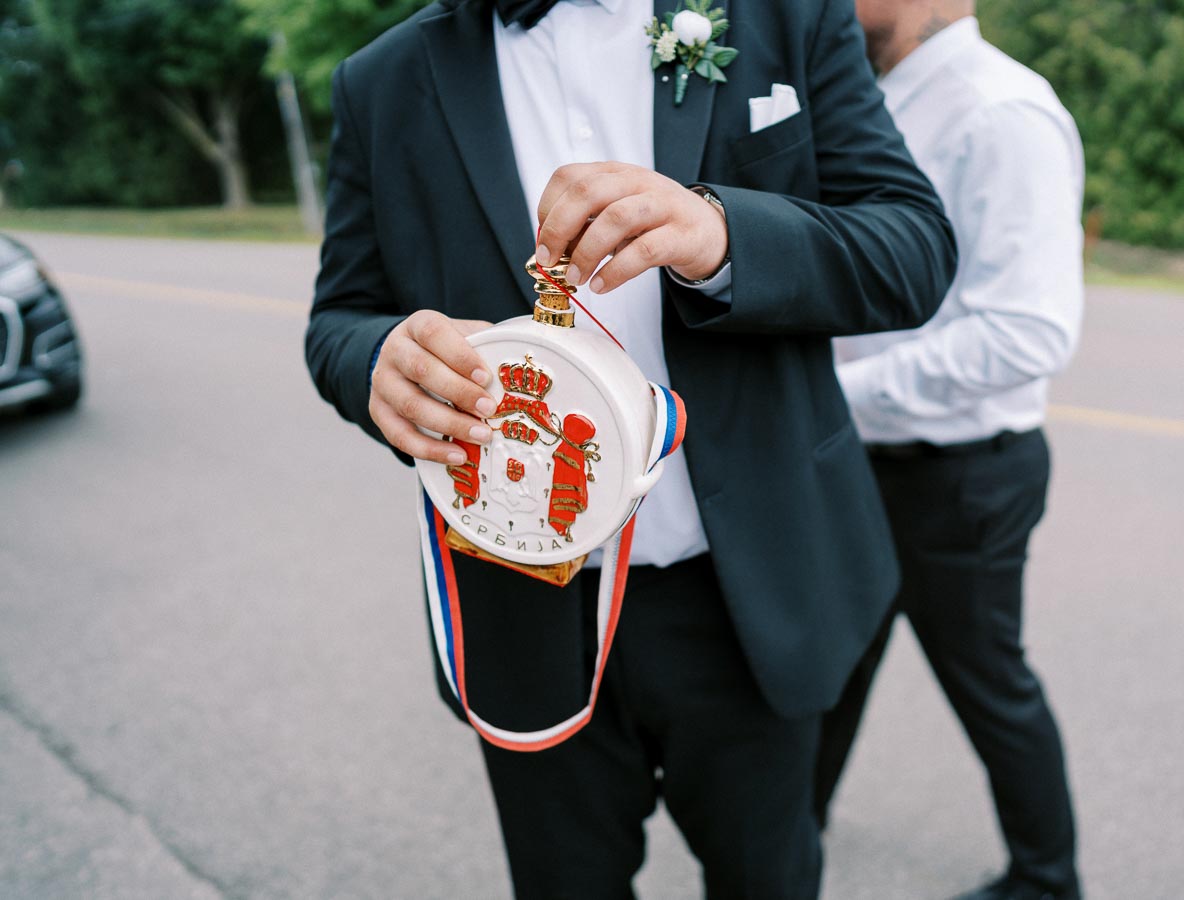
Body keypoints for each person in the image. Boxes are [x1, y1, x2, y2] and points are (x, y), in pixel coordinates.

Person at [305, 0, 957, 896]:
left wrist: (721, 235)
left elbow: (913, 247)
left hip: (750, 595)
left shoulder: (785, 13)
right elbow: (339, 316)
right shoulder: (382, 79)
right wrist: (376, 360)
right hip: (522, 599)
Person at [817, 2, 1085, 898]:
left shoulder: (1000, 113)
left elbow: (1025, 332)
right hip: (859, 458)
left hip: (960, 476)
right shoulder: (865, 100)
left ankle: (1047, 881)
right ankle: (788, 838)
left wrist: (836, 394)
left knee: (990, 686)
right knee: (827, 663)